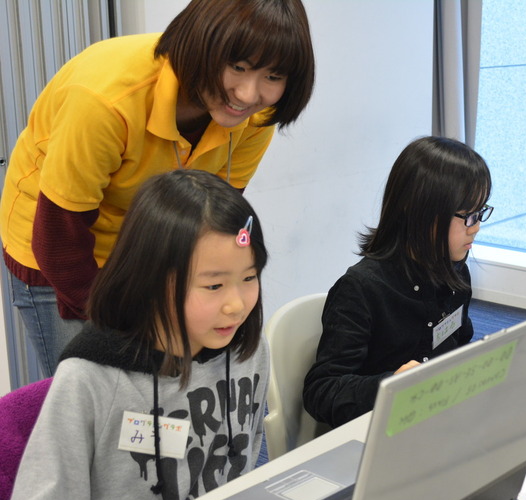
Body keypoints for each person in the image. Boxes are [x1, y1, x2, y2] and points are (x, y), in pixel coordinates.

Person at [0, 0, 314, 377]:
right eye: (238, 67)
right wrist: (127, 325)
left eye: (273, 76)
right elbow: (58, 240)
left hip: (145, 245)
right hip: (58, 246)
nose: (248, 94)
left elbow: (211, 221)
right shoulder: (105, 99)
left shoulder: (256, 115)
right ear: (200, 43)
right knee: (94, 383)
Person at [0, 169, 270, 500]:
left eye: (249, 278)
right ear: (152, 280)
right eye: (214, 285)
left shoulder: (247, 350)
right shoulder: (89, 379)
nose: (236, 305)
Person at [303, 136, 493, 428]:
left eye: (481, 213)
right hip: (377, 430)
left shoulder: (456, 273)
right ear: (421, 213)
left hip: (433, 421)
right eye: (468, 216)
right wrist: (391, 385)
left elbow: (458, 339)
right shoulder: (361, 289)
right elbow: (322, 391)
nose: (476, 227)